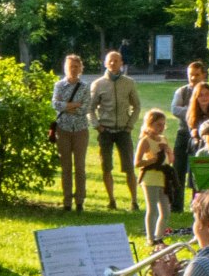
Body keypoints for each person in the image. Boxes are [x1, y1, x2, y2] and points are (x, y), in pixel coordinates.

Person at [88, 51, 141, 211]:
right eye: (110, 61)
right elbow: (89, 109)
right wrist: (97, 125)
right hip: (105, 131)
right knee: (106, 167)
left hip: (123, 131)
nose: (113, 64)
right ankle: (111, 200)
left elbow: (137, 106)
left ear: (121, 63)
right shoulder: (98, 84)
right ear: (105, 63)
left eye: (116, 61)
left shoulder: (129, 83)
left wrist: (130, 125)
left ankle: (134, 201)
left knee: (129, 168)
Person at [52, 55, 93, 213]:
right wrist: (74, 105)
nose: (74, 69)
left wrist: (67, 106)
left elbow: (86, 108)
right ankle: (67, 200)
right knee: (66, 167)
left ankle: (80, 201)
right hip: (63, 129)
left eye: (77, 66)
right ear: (65, 68)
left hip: (81, 130)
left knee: (80, 166)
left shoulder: (85, 86)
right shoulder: (59, 85)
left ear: (81, 68)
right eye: (71, 66)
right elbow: (55, 104)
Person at [166, 63, 209, 208]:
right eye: (190, 74)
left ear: (203, 75)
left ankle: (196, 204)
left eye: (196, 74)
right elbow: (174, 109)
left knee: (197, 171)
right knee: (178, 169)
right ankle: (176, 205)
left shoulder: (207, 91)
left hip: (202, 137)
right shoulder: (182, 91)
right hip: (183, 133)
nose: (193, 78)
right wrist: (194, 111)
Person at [136, 109, 173, 244]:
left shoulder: (163, 139)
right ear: (149, 124)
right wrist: (153, 159)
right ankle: (150, 238)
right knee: (152, 209)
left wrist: (168, 152)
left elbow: (170, 159)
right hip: (150, 178)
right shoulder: (145, 141)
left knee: (166, 211)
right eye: (158, 124)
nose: (161, 128)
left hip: (163, 178)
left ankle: (159, 237)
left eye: (163, 124)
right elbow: (137, 162)